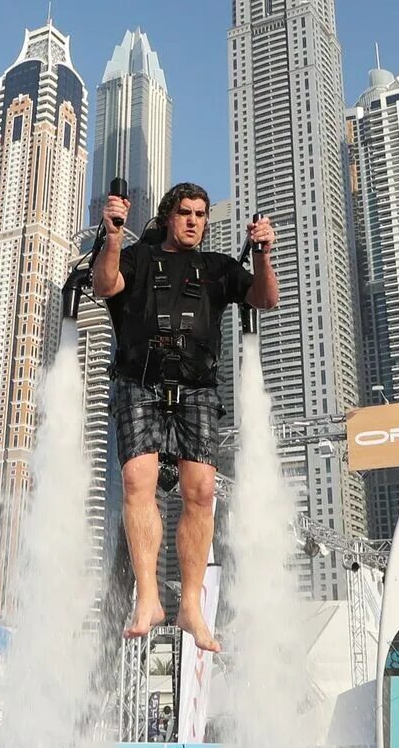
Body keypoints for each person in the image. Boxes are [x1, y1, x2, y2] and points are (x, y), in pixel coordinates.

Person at [91, 182, 277, 652]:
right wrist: (112, 235)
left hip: (196, 389)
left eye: (201, 214)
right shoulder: (138, 257)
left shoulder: (216, 268)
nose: (194, 220)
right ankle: (149, 597)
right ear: (167, 216)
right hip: (139, 384)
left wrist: (261, 253)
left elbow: (265, 299)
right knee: (139, 482)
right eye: (185, 213)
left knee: (201, 492)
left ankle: (191, 604)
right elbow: (104, 285)